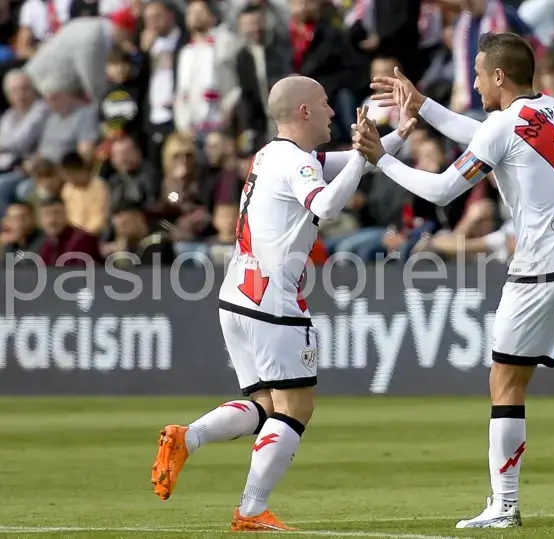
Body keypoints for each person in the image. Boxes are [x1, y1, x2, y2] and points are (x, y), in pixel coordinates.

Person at [365, 32, 554, 528]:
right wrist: (423, 105)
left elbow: (442, 191)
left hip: (541, 270)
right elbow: (486, 133)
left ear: (499, 76)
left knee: (505, 382)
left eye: (480, 75)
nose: (476, 84)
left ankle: (504, 506)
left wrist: (383, 160)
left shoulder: (502, 127)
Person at [150, 75, 417, 531]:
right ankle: (251, 510)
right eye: (326, 103)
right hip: (273, 300)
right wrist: (360, 155)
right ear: (305, 111)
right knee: (296, 408)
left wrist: (402, 131)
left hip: (236, 295)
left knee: (268, 408)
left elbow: (359, 162)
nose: (333, 111)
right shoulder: (297, 162)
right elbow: (327, 205)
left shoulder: (271, 154)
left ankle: (188, 437)